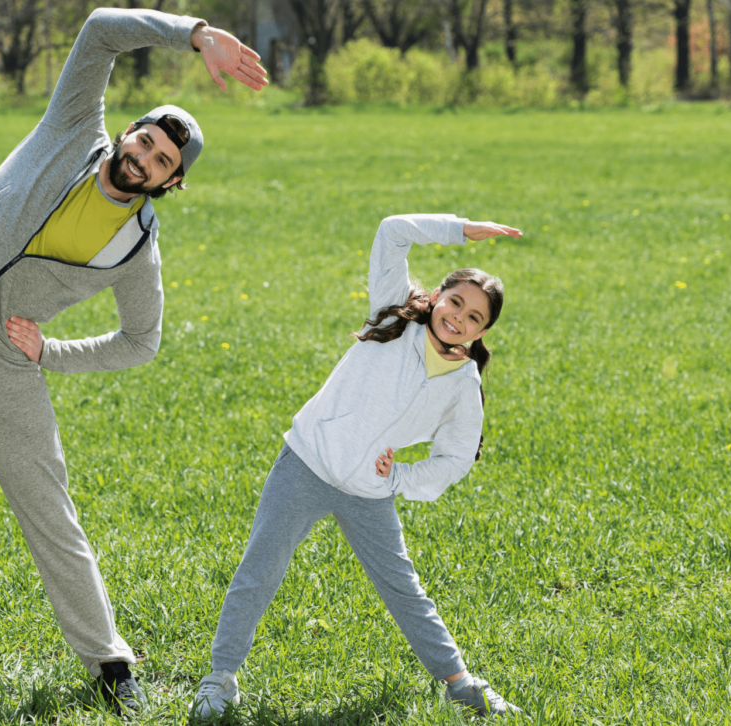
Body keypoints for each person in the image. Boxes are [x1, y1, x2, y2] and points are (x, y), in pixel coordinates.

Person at [0, 6, 267, 719]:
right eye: (145, 139)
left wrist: (52, 353)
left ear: (171, 183)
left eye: (164, 162)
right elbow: (102, 26)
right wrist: (196, 34)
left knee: (49, 513)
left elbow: (142, 341)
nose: (145, 158)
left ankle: (110, 663)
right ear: (127, 129)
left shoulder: (135, 248)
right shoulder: (74, 126)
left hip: (1, 365)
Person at [188, 214, 524, 720]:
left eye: (474, 317)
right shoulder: (393, 312)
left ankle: (461, 683)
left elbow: (455, 458)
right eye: (455, 301)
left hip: (370, 491)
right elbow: (392, 230)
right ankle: (220, 679)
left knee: (404, 590)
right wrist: (459, 230)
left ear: (481, 332)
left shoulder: (463, 385)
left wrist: (401, 478)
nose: (459, 317)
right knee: (260, 569)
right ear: (436, 295)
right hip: (306, 463)